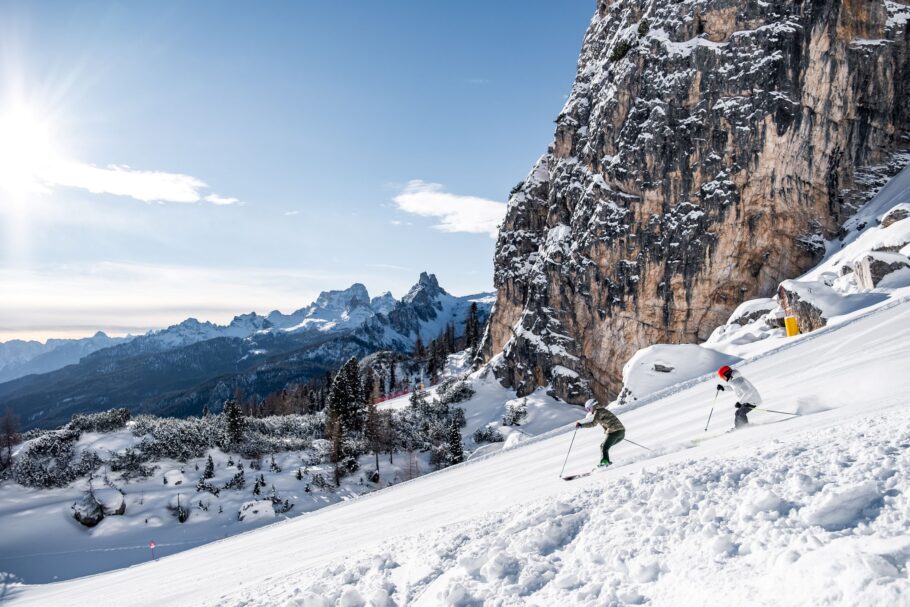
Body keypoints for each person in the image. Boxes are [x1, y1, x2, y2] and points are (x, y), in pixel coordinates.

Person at [575, 399, 625, 467]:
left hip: (614, 432)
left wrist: (581, 425)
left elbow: (593, 424)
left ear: (593, 406)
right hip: (621, 432)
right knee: (603, 446)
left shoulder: (598, 412)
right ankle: (605, 462)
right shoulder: (602, 410)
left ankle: (605, 463)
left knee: (604, 447)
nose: (589, 411)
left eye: (589, 409)